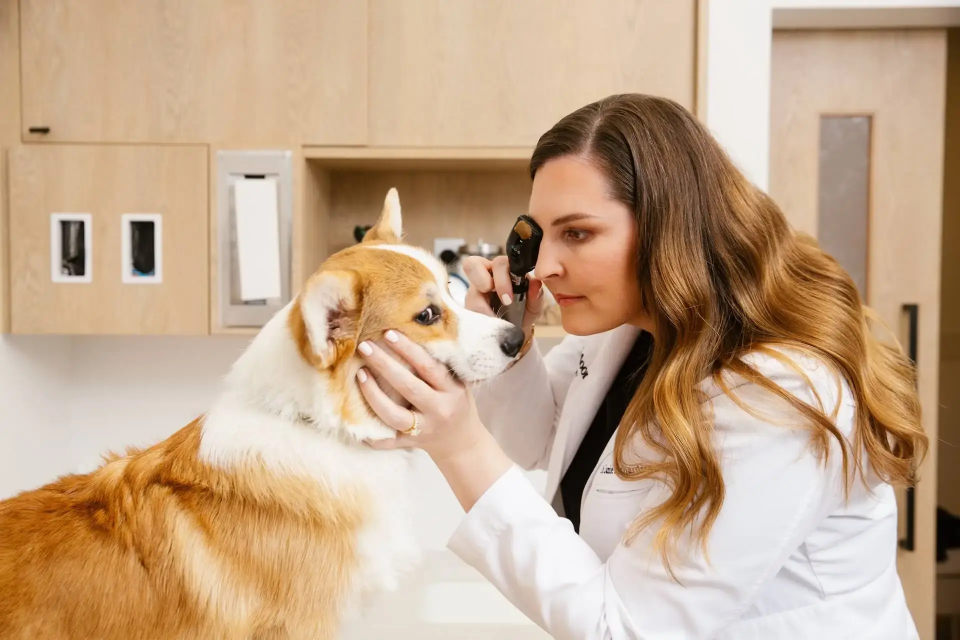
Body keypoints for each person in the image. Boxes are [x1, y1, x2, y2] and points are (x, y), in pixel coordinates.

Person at [353, 93, 928, 639]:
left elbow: (629, 628)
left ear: (668, 229)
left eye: (577, 233)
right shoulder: (634, 332)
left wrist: (458, 446)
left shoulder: (784, 393)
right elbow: (543, 441)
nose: (544, 266)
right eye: (539, 235)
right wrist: (511, 342)